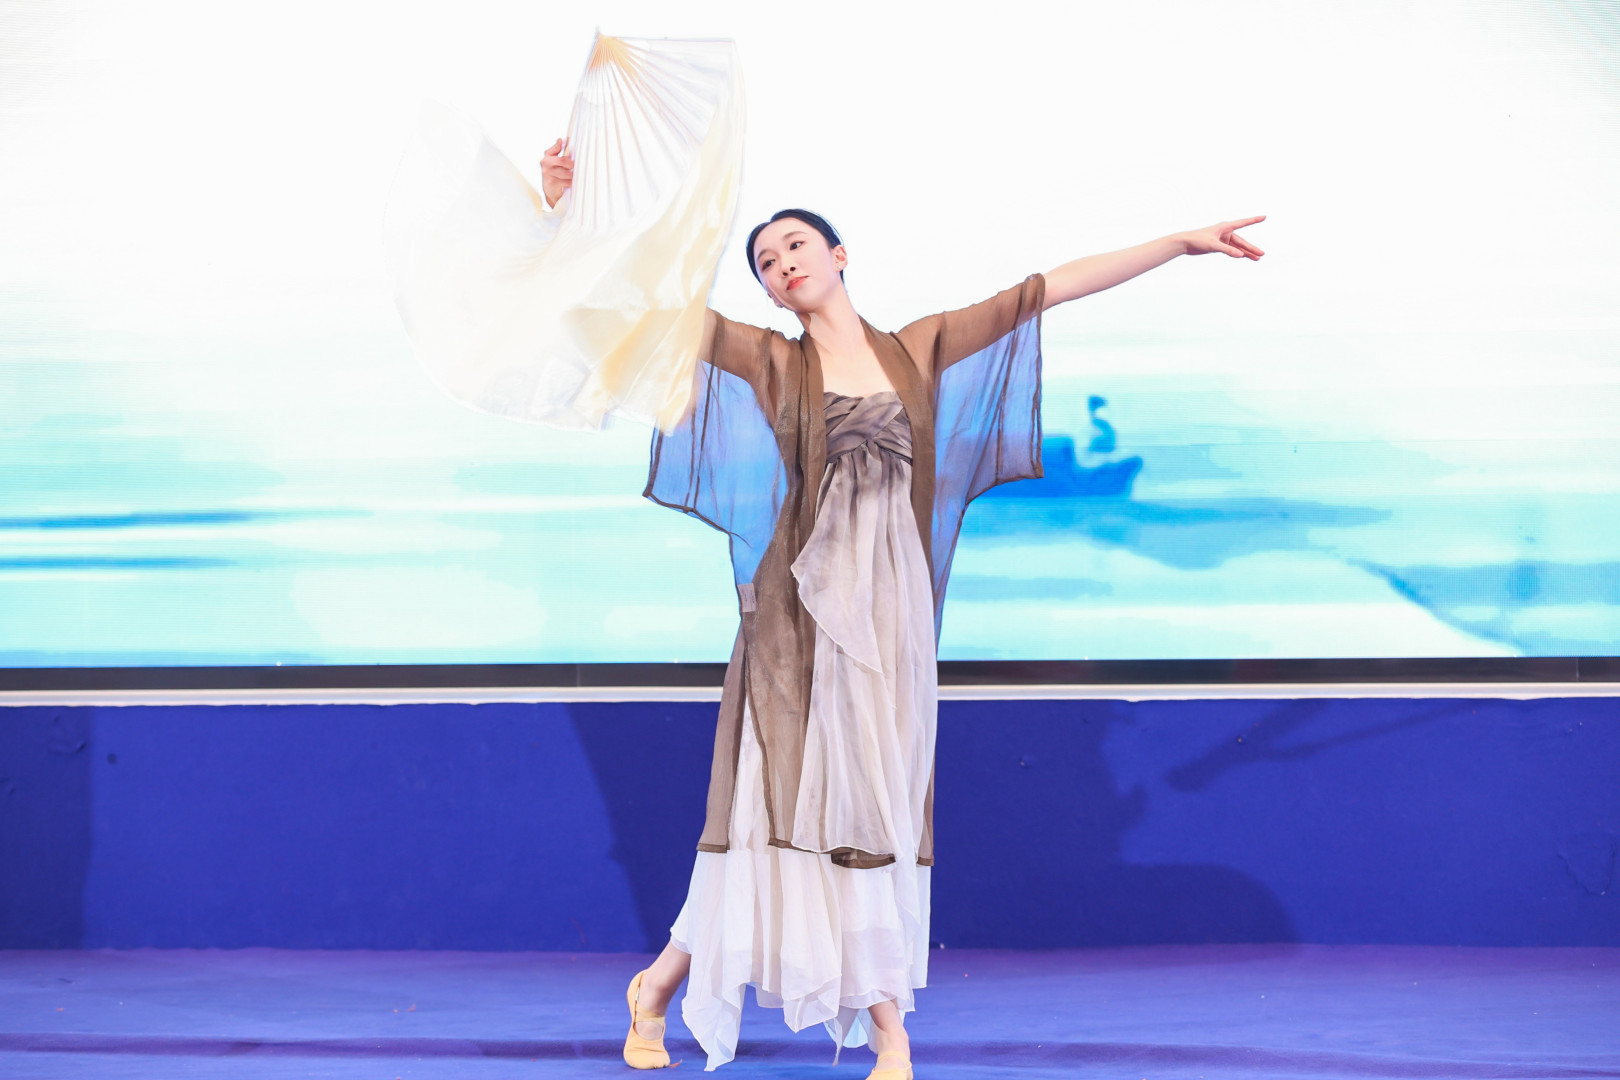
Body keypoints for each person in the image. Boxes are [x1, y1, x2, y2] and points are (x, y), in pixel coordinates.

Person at [539, 143, 1264, 1079]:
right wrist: (568, 216)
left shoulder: (917, 348)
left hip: (892, 624)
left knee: (858, 812)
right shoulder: (769, 359)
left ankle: (658, 984)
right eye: (766, 262)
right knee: (785, 817)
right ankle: (890, 1035)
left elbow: (1047, 290)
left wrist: (1178, 243)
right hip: (799, 625)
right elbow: (645, 302)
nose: (783, 263)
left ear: (840, 256)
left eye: (796, 245)